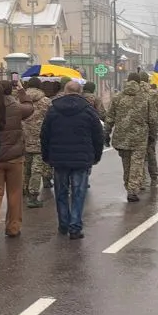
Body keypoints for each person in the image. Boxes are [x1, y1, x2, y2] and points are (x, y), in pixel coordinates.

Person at [41, 80, 103, 239]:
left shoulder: (53, 110)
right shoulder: (88, 110)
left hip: (59, 158)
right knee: (78, 192)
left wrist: (46, 155)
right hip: (81, 158)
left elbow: (45, 134)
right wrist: (96, 156)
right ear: (80, 92)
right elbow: (98, 135)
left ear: (65, 91)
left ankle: (63, 223)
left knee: (61, 192)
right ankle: (75, 226)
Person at [0, 80, 35, 243]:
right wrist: (22, 91)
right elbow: (30, 108)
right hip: (14, 158)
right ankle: (13, 227)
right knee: (15, 192)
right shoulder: (17, 107)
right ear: (10, 91)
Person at [105, 73, 152, 202]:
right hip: (139, 138)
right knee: (137, 164)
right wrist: (153, 135)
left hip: (122, 137)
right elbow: (152, 119)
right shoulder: (145, 98)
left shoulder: (117, 97)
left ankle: (128, 186)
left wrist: (106, 133)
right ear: (139, 82)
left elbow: (110, 117)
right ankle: (132, 190)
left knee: (126, 164)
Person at [21, 77, 51, 209]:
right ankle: (33, 196)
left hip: (23, 139)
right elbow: (51, 120)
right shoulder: (46, 101)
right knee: (37, 169)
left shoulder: (20, 100)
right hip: (40, 140)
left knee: (25, 168)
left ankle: (24, 189)